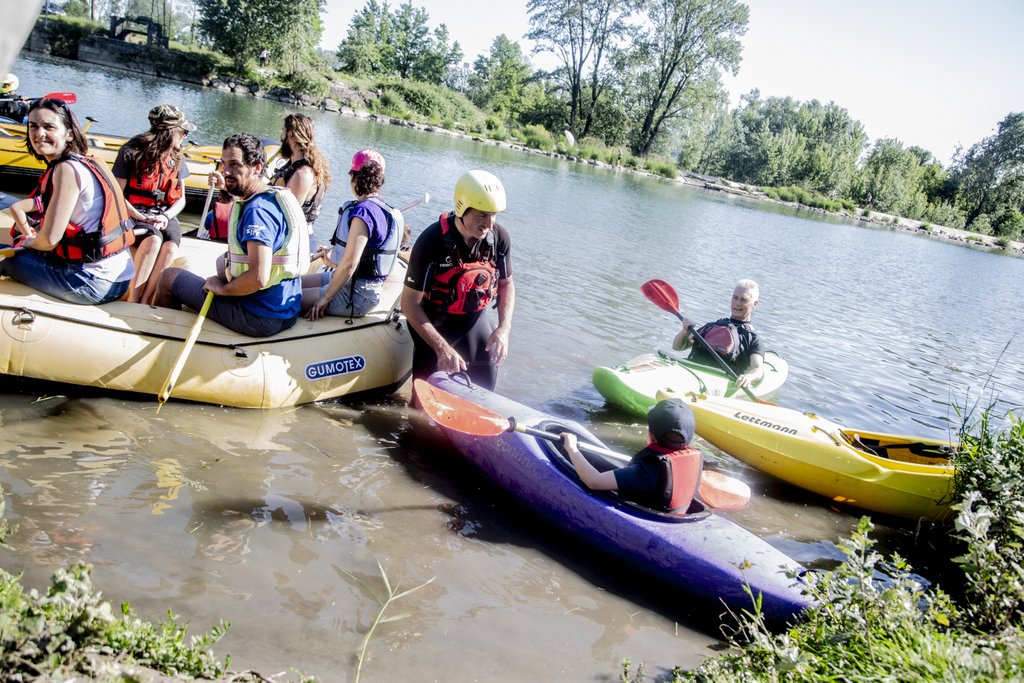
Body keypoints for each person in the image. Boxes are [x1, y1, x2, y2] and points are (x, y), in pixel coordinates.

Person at [153, 132, 309, 337]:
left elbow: (258, 278)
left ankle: (158, 336)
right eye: (224, 163)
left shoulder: (257, 212)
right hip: (281, 312)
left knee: (169, 277)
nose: (226, 170)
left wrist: (222, 290)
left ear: (257, 168)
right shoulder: (271, 198)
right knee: (220, 265)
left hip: (257, 317)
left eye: (235, 164)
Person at [2, 97, 134, 304]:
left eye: (49, 127)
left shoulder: (66, 170)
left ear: (69, 134)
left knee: (3, 255)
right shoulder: (87, 160)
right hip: (119, 279)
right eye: (33, 126)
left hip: (89, 282)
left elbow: (49, 241)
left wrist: (28, 241)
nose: (39, 134)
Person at [401, 169, 514, 390]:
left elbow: (506, 283)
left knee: (486, 381)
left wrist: (504, 329)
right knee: (423, 405)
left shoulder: (499, 238)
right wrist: (441, 348)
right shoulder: (431, 241)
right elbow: (408, 304)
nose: (490, 224)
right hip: (433, 321)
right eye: (482, 214)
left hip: (473, 319)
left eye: (494, 214)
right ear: (462, 207)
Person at [301, 148, 402, 320]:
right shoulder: (383, 209)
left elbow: (350, 264)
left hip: (355, 294)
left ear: (355, 177)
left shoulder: (364, 212)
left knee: (283, 297)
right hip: (353, 284)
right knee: (292, 285)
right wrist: (332, 263)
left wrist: (325, 298)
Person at [111, 104, 195, 303]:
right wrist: (139, 216)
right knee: (153, 240)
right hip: (134, 213)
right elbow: (116, 194)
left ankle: (148, 297)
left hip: (163, 213)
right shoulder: (131, 152)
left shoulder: (177, 156)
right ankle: (134, 297)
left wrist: (165, 216)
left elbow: (180, 198)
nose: (184, 136)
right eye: (182, 132)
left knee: (170, 246)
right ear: (170, 132)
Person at [560, 398, 703, 512]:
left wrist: (572, 448)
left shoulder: (646, 470)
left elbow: (593, 481)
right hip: (671, 514)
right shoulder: (690, 460)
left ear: (651, 435)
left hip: (647, 522)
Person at [671, 278, 765, 388]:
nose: (737, 303)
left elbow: (758, 369)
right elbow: (677, 347)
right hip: (689, 371)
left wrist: (749, 377)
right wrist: (685, 331)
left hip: (716, 383)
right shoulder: (714, 326)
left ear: (755, 303)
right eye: (735, 297)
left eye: (744, 300)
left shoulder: (753, 339)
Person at [270, 113, 329, 255]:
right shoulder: (296, 167)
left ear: (290, 134)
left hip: (294, 244)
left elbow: (289, 217)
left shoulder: (303, 174)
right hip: (288, 239)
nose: (281, 135)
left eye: (283, 130)